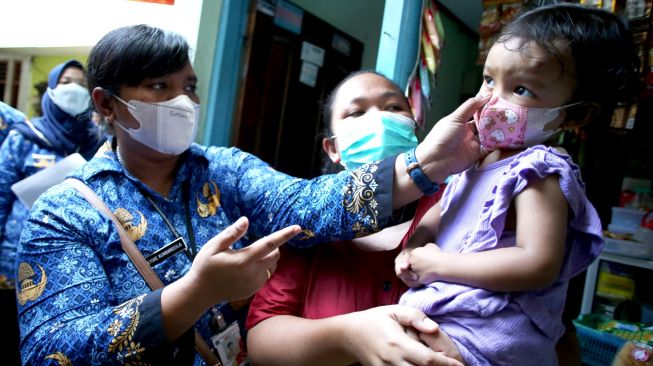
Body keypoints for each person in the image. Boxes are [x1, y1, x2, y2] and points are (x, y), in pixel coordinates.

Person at [16, 24, 485, 365]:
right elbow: (52, 350)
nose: (185, 103)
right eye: (161, 86)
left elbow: (306, 207)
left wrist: (426, 164)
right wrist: (196, 293)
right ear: (105, 103)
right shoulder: (64, 213)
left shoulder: (223, 170)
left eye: (190, 87)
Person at [394, 4, 641, 365]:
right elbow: (441, 215)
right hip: (453, 317)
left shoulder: (538, 170)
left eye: (521, 89)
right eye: (490, 80)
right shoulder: (474, 158)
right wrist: (413, 247)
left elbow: (537, 263)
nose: (493, 99)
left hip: (494, 335)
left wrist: (438, 264)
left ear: (576, 114)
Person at [246, 70, 460, 366]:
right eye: (356, 112)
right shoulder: (310, 222)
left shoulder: (457, 202)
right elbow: (262, 337)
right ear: (332, 148)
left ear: (414, 126)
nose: (379, 120)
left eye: (393, 107)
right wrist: (350, 336)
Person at [0, 60, 104, 366]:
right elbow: (2, 191)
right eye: (66, 81)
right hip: (15, 258)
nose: (74, 88)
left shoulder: (96, 143)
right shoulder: (24, 136)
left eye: (80, 83)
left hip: (72, 260)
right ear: (51, 88)